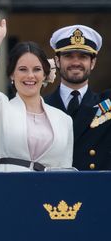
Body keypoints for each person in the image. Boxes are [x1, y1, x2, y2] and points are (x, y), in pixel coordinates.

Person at [0, 8, 73, 172]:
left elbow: (65, 169)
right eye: (23, 69)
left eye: (37, 69)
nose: (30, 76)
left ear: (45, 75)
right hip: (5, 191)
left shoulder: (63, 120)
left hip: (45, 194)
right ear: (12, 74)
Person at [45, 25, 111, 170]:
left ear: (92, 63)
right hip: (52, 187)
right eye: (68, 56)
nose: (76, 62)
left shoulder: (107, 104)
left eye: (83, 56)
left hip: (96, 188)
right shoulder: (41, 105)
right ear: (57, 61)